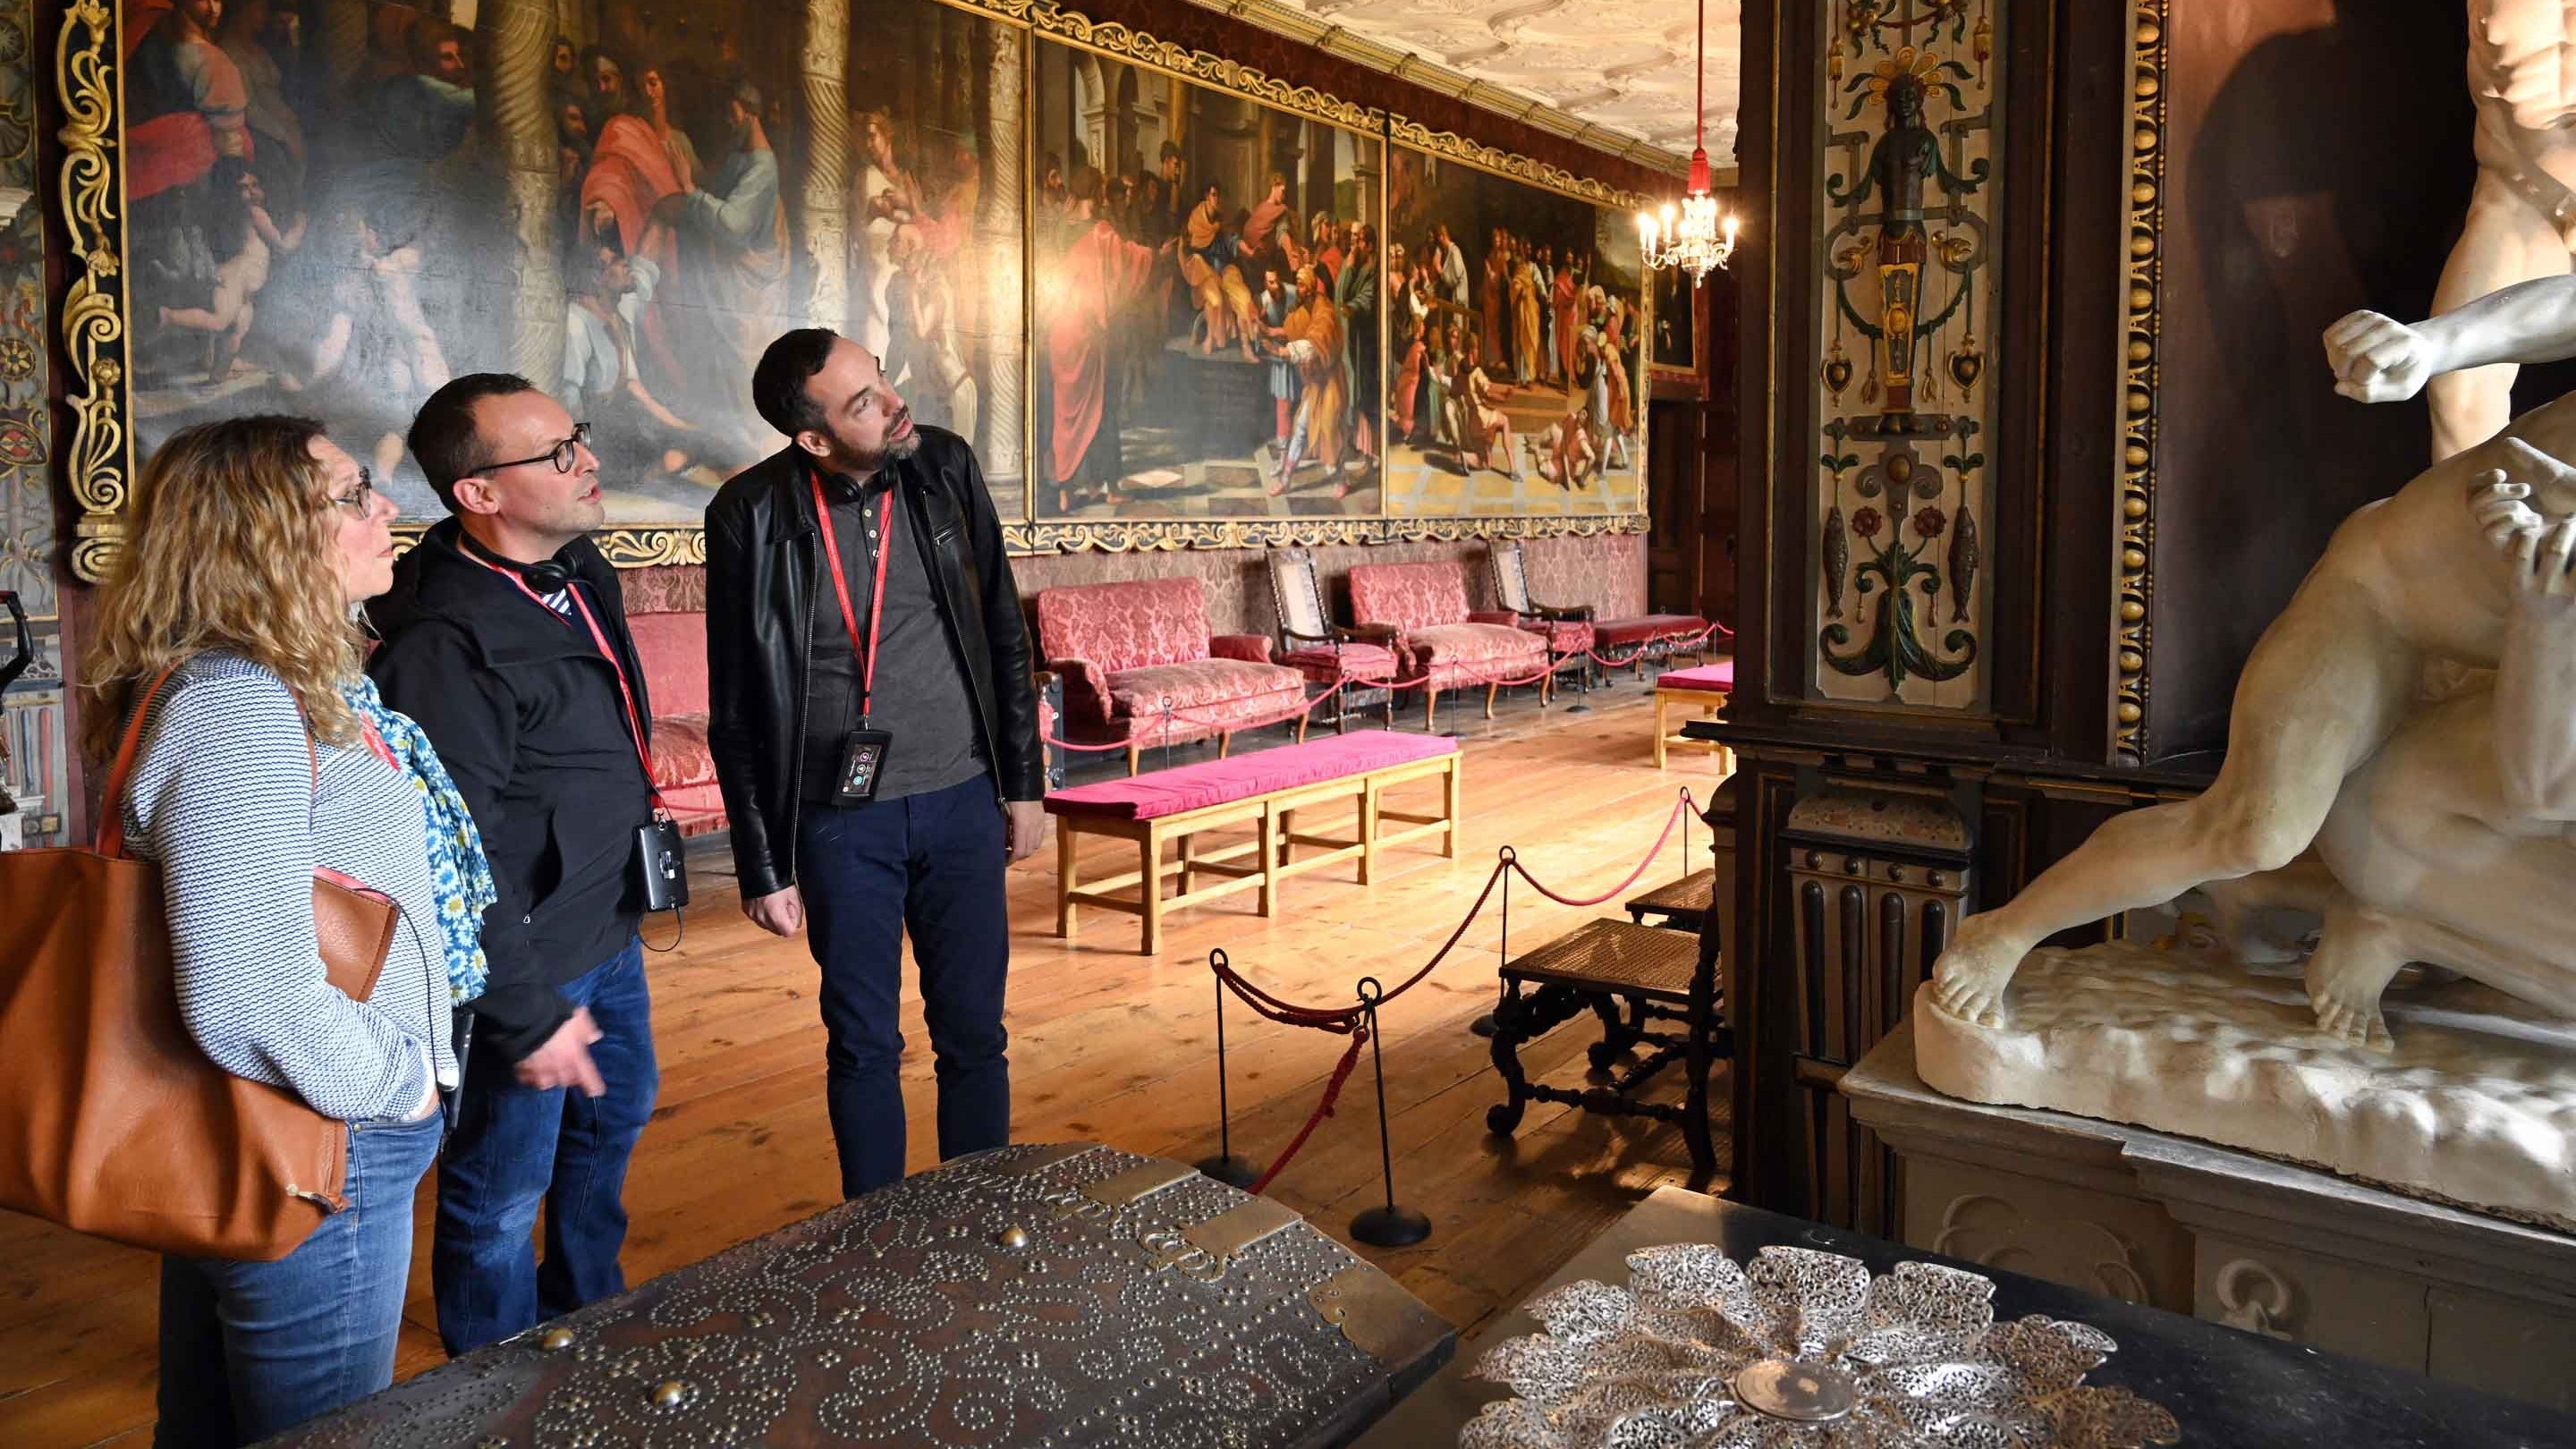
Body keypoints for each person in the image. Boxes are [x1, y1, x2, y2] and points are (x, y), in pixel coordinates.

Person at [86, 416, 487, 1446]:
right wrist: (398, 1089)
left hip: (279, 1121)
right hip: (313, 1134)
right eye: (354, 494)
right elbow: (247, 989)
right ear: (262, 535)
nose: (388, 508)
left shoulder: (285, 688)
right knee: (324, 1431)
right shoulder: (239, 706)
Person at [706, 328, 1046, 1199]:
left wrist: (1023, 783)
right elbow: (736, 702)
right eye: (863, 402)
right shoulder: (749, 512)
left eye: (883, 380)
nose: (895, 404)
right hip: (836, 823)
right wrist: (761, 862)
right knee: (863, 1043)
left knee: (974, 1032)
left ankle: (976, 1214)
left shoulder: (945, 468)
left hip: (962, 799)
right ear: (813, 437)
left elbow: (1004, 629)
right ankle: (876, 1237)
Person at [367, 376, 662, 1355]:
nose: (589, 462)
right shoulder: (443, 640)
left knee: (607, 1136)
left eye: (578, 439)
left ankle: (591, 1321)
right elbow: (450, 850)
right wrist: (526, 1013)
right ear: (479, 495)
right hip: (523, 961)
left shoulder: (580, 567)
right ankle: (493, 1383)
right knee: (501, 1192)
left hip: (606, 926)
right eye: (558, 453)